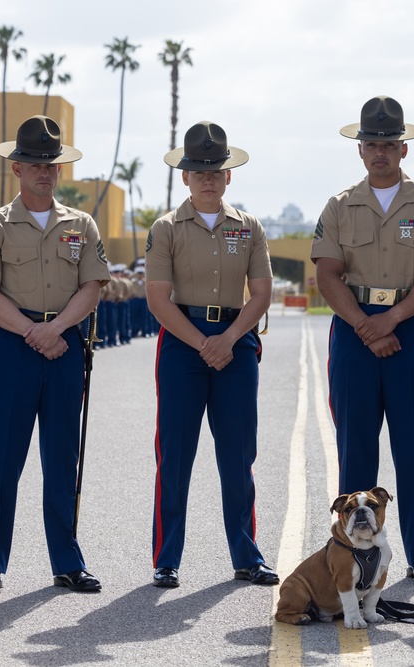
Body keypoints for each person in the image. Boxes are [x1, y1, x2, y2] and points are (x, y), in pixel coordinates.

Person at [310, 96, 414, 585]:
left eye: (389, 144)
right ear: (360, 149)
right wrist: (365, 326)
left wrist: (391, 318)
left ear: (403, 149)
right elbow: (328, 275)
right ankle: (352, 555)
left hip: (410, 327)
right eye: (371, 143)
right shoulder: (339, 206)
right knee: (355, 449)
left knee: (413, 447)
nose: (380, 152)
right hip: (355, 331)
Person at [0, 115, 110, 595]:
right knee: (4, 460)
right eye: (33, 162)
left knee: (61, 458)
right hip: (15, 344)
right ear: (16, 167)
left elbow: (92, 287)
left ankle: (67, 561)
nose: (43, 171)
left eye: (51, 163)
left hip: (65, 343)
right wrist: (34, 331)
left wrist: (57, 329)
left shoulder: (82, 224)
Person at [145, 121, 276, 589]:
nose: (206, 178)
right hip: (183, 342)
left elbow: (261, 292)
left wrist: (228, 338)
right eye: (197, 170)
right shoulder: (166, 229)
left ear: (228, 176)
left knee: (238, 455)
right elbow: (158, 299)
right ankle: (166, 558)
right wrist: (203, 342)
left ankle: (246, 555)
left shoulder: (250, 227)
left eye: (215, 170)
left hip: (236, 340)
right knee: (175, 455)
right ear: (184, 176)